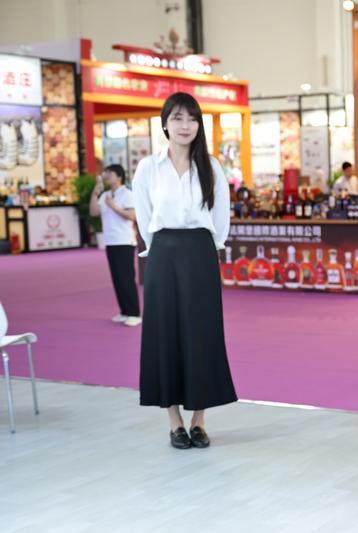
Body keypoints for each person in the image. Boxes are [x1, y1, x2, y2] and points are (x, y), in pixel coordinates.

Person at [133, 92, 237, 450]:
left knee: (201, 334)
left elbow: (221, 216)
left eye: (191, 119)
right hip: (162, 253)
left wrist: (210, 246)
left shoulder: (211, 166)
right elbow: (144, 216)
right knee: (165, 334)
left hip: (200, 253)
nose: (185, 125)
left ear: (199, 125)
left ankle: (199, 420)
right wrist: (156, 247)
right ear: (165, 123)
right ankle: (174, 420)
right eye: (177, 118)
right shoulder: (149, 167)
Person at [90, 164, 141, 327]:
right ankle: (124, 311)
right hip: (110, 241)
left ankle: (134, 313)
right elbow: (93, 212)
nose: (106, 176)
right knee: (117, 278)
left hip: (124, 241)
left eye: (109, 174)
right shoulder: (105, 194)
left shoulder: (127, 194)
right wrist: (95, 192)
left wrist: (113, 206)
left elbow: (132, 216)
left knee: (126, 278)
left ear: (119, 176)